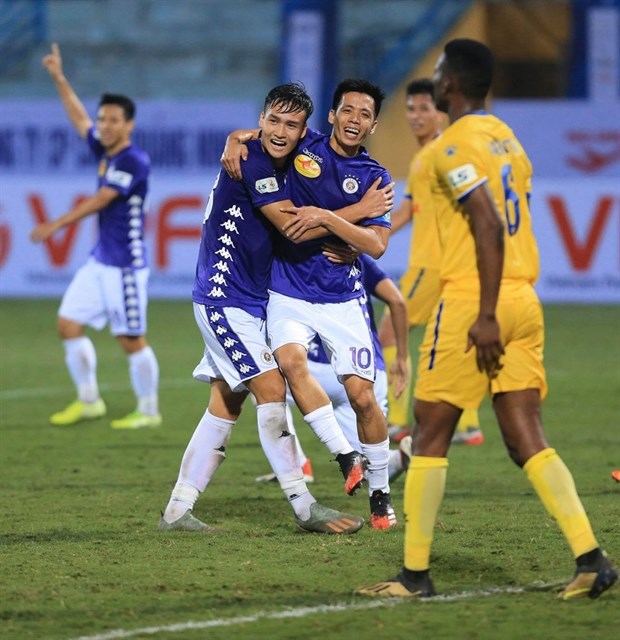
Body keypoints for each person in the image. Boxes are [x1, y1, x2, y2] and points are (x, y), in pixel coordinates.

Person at [356, 39, 617, 600]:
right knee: (526, 438)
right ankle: (592, 559)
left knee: (429, 434)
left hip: (480, 302)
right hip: (526, 297)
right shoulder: (506, 139)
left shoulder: (452, 150)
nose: (436, 78)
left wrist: (487, 314)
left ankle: (414, 577)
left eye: (441, 72)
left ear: (451, 85)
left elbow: (488, 225)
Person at [159, 83, 391, 535]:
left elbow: (267, 145)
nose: (281, 131)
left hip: (251, 299)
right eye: (273, 120)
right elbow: (295, 232)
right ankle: (305, 506)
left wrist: (238, 134)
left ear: (305, 130)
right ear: (261, 119)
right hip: (225, 296)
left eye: (291, 124)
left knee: (225, 403)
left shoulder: (276, 154)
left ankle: (177, 510)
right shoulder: (253, 161)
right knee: (272, 389)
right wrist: (359, 210)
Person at [225, 79, 399, 529]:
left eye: (364, 114)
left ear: (373, 123)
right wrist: (234, 137)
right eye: (347, 110)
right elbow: (263, 136)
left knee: (363, 398)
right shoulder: (306, 147)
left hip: (343, 297)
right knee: (290, 362)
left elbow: (377, 246)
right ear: (332, 115)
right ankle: (345, 457)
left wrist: (328, 218)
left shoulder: (376, 178)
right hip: (289, 289)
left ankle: (380, 492)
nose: (354, 120)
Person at [30, 43, 161, 430]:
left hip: (124, 265)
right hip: (100, 259)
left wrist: (56, 225)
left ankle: (149, 410)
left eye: (112, 120)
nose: (103, 125)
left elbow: (103, 199)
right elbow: (77, 118)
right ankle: (89, 401)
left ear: (129, 125)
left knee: (130, 339)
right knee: (68, 324)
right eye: (102, 119)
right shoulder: (105, 151)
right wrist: (58, 76)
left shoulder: (133, 160)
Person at [378, 78, 483, 447]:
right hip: (449, 267)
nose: (415, 116)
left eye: (424, 108)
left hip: (433, 265)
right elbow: (411, 206)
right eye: (410, 108)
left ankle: (396, 421)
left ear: (442, 113)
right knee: (452, 342)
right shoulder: (427, 156)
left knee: (390, 332)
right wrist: (377, 234)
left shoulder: (442, 153)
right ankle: (468, 425)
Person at [255, 253, 413, 485]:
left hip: (317, 371)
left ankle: (297, 464)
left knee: (262, 385)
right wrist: (401, 356)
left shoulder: (292, 258)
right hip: (367, 373)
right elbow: (397, 301)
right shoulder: (356, 257)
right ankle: (397, 459)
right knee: (369, 464)